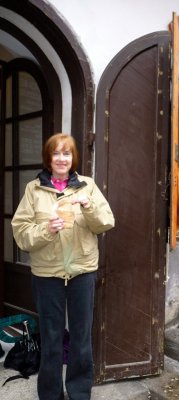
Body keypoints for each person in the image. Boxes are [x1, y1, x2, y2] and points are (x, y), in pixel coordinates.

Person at [11, 133, 115, 400]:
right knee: (51, 336)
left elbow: (106, 222)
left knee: (81, 337)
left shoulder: (87, 186)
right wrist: (47, 229)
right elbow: (21, 234)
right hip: (47, 274)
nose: (61, 158)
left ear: (73, 158)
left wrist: (89, 206)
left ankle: (79, 392)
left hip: (82, 272)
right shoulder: (34, 190)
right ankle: (50, 394)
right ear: (49, 158)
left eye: (66, 153)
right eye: (56, 153)